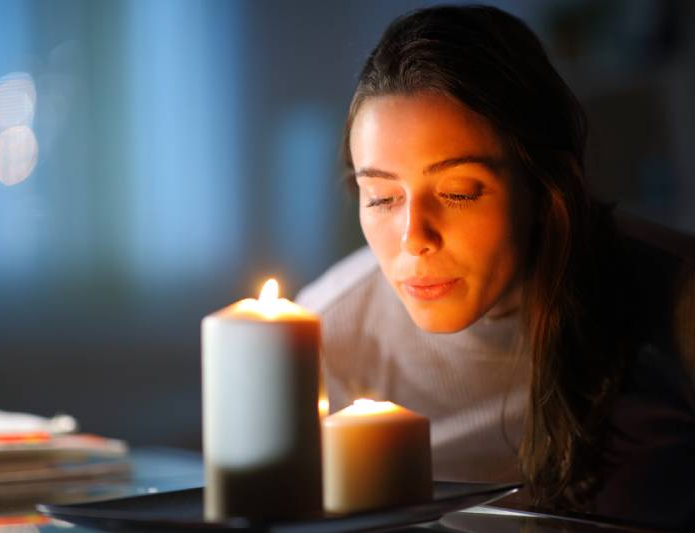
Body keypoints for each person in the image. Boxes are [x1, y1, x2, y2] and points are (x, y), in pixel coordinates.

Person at [296, 5, 695, 529]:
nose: (414, 238)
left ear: (542, 185)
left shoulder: (678, 299)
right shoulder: (320, 333)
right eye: (382, 197)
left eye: (458, 192)